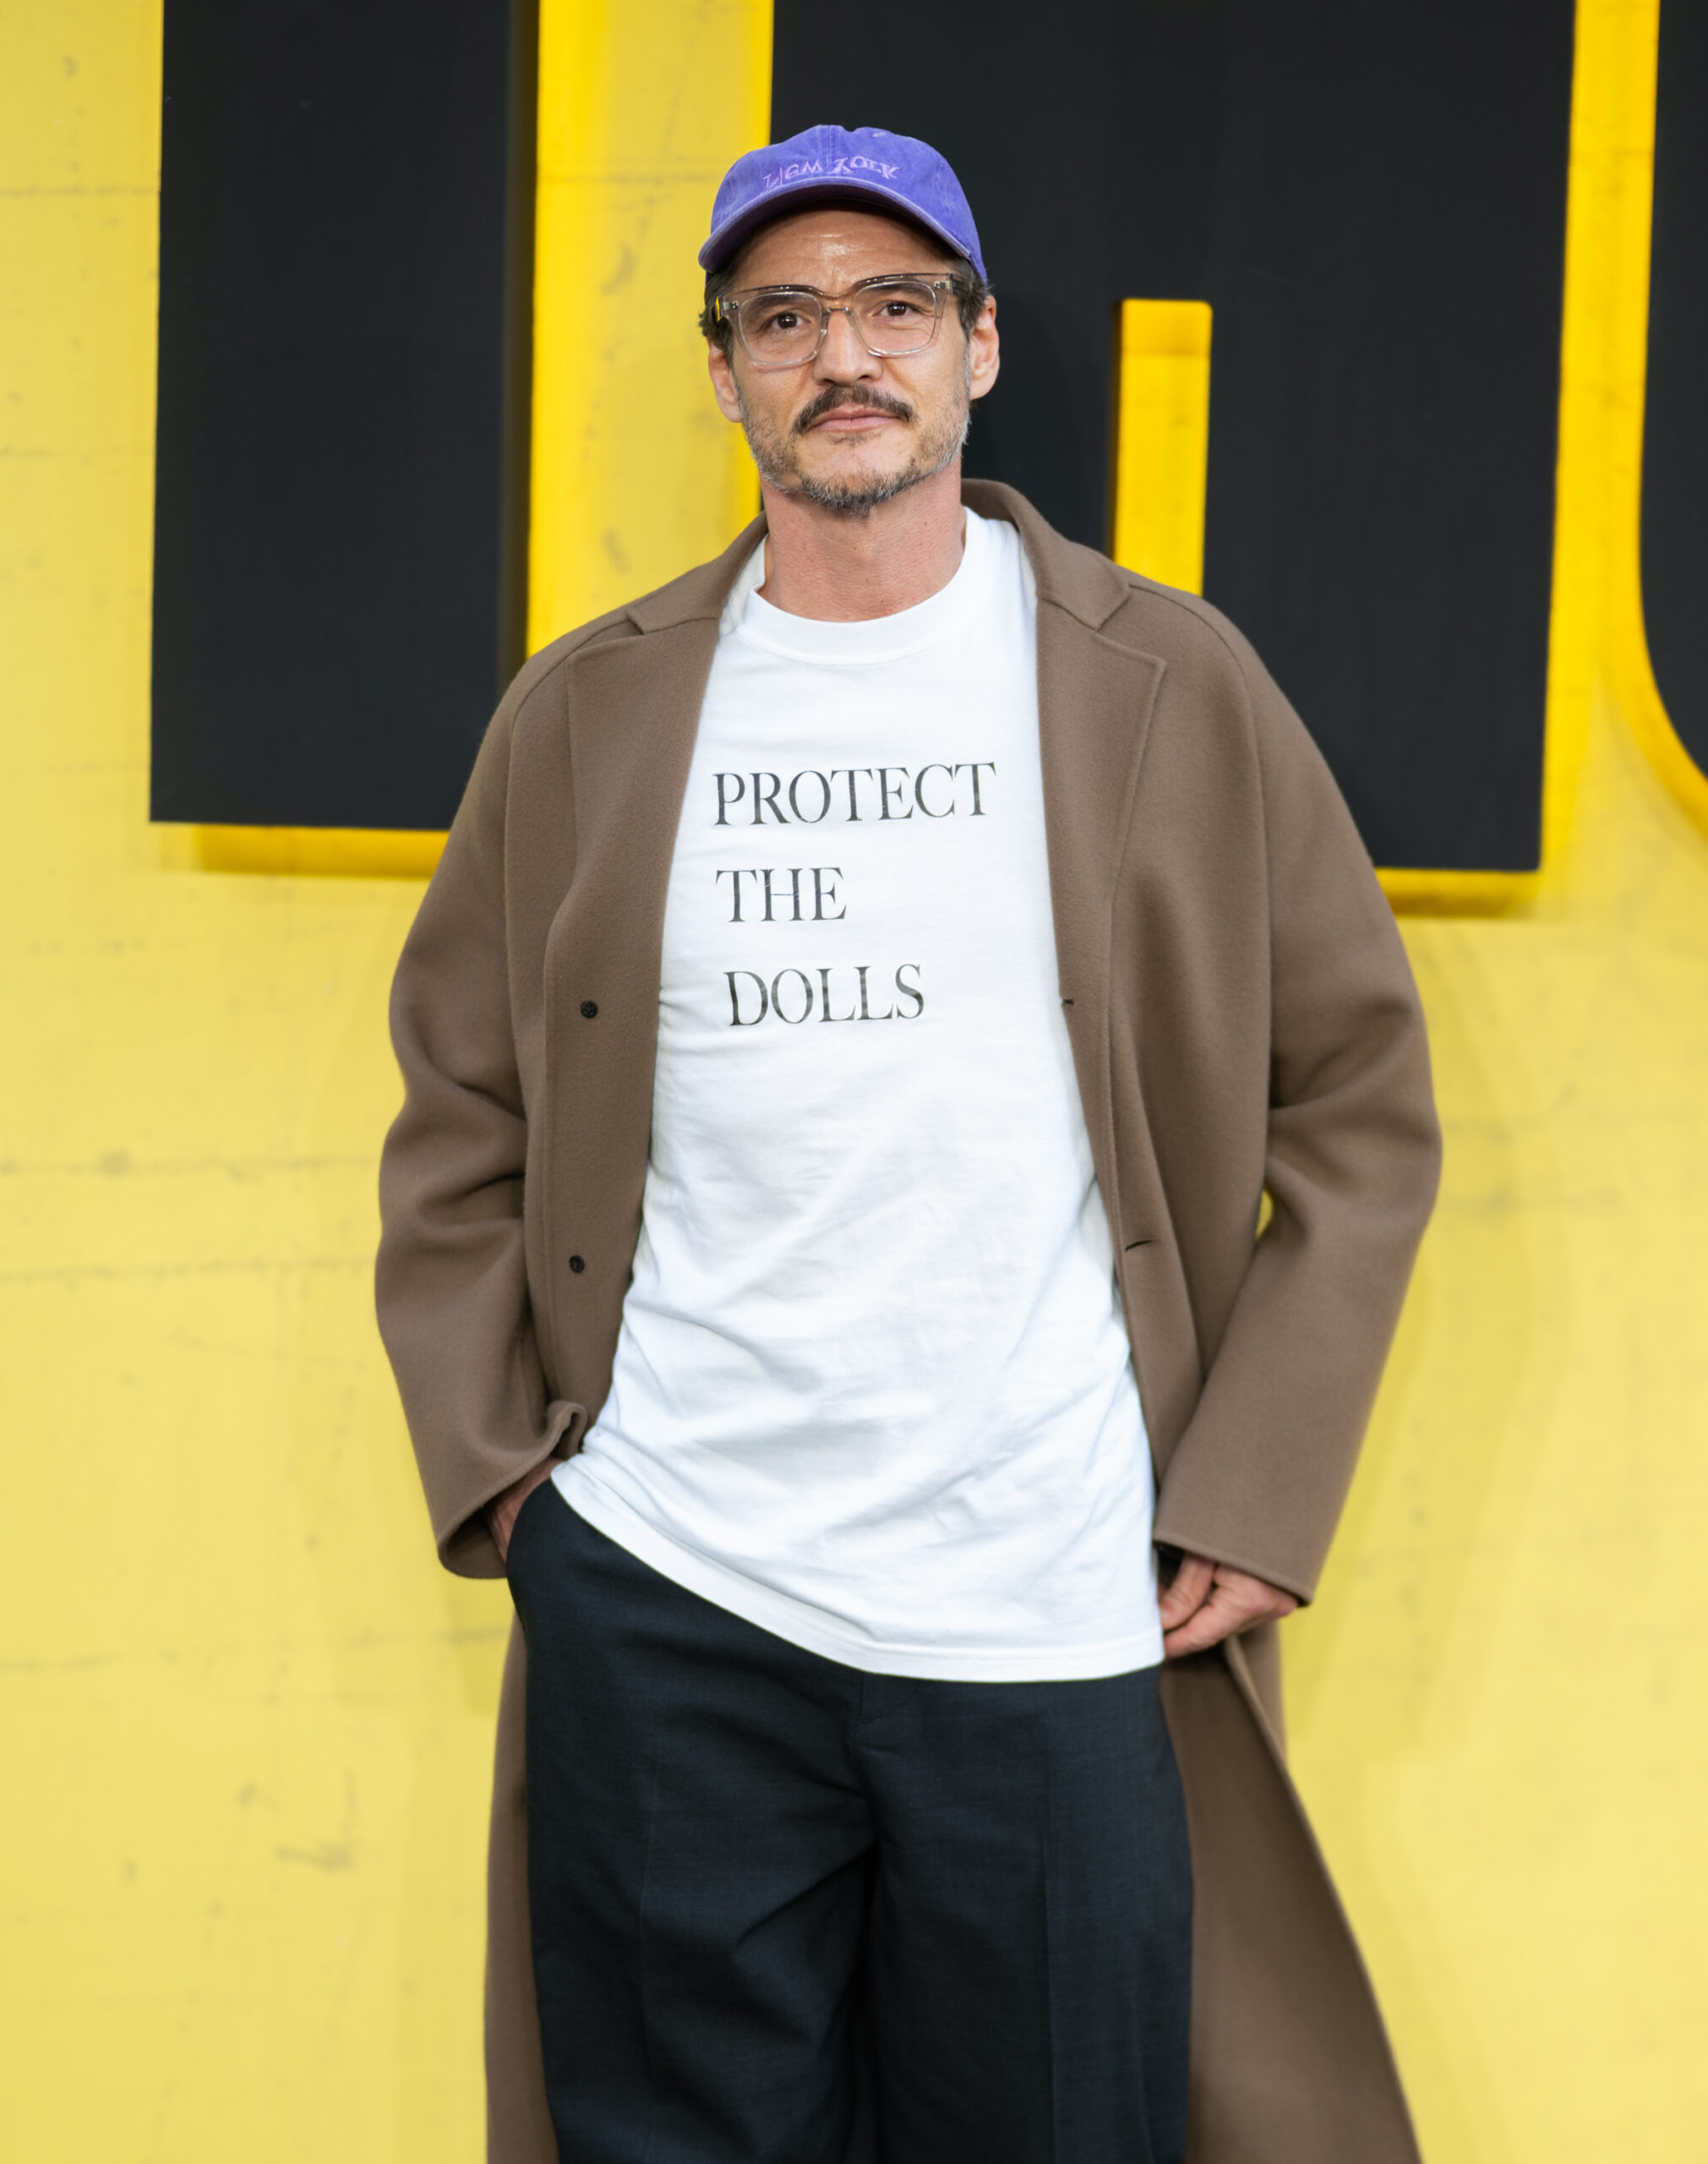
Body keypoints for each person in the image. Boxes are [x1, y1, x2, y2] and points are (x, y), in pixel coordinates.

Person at [377, 123, 1441, 2164]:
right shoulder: (585, 713)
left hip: (1040, 1598)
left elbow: (1364, 1098)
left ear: (975, 350)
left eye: (888, 306)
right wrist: (521, 1490)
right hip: (673, 1591)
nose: (836, 353)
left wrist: (1262, 1476)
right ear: (724, 374)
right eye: (782, 316)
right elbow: (458, 1113)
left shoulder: (1167, 685)